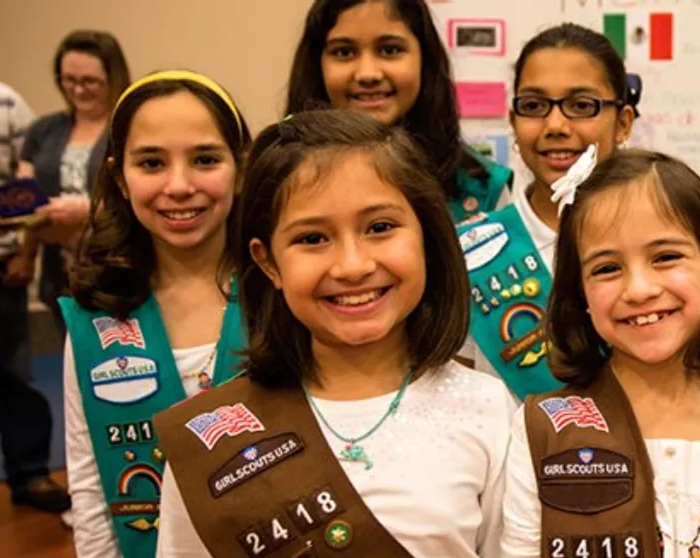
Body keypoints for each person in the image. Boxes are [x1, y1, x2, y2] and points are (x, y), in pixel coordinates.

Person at [153, 110, 516, 557]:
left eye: (380, 228)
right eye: (312, 238)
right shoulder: (210, 439)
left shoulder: (486, 408)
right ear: (268, 263)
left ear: (426, 235)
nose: (352, 266)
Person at [500, 149, 700, 557]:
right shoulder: (542, 430)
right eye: (606, 268)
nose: (639, 290)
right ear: (580, 294)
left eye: (665, 257)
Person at [60, 70, 251, 558]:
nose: (179, 186)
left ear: (242, 168)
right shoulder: (94, 319)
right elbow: (90, 490)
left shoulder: (282, 296)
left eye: (205, 159)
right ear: (119, 179)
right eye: (151, 163)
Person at [457, 23, 637, 399]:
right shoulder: (466, 256)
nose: (555, 125)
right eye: (534, 106)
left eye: (581, 106)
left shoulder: (666, 240)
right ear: (513, 122)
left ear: (623, 123)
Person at [285, 0, 511, 222]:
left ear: (424, 60)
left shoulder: (481, 190)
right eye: (344, 52)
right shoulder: (281, 179)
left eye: (390, 50)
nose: (368, 74)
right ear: (316, 65)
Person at [19, 30, 131, 336]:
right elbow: (26, 191)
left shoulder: (128, 127)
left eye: (90, 81)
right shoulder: (44, 130)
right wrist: (26, 254)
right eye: (69, 80)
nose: (78, 90)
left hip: (117, 267)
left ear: (113, 77)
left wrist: (85, 210)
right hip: (60, 270)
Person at [0, 79, 71, 515]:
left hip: (0, 268)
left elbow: (30, 189)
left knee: (10, 374)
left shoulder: (6, 103)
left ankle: (29, 473)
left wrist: (26, 254)